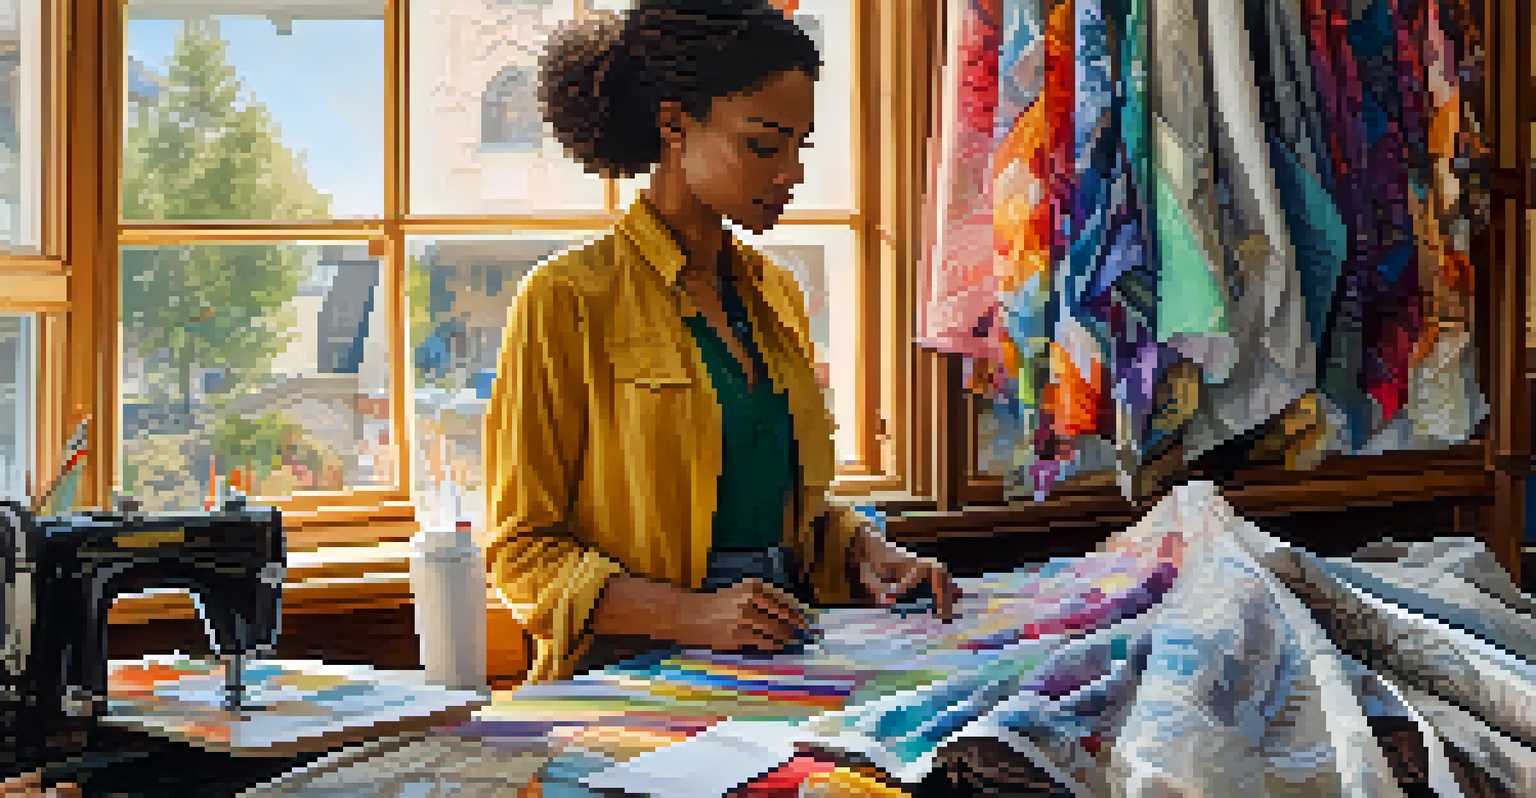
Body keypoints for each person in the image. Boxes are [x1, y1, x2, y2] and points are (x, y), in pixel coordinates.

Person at [484, 0, 962, 687]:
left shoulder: (776, 297)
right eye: (764, 146)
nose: (791, 173)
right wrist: (691, 615)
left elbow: (777, 506)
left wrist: (865, 549)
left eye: (801, 147)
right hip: (629, 681)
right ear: (674, 125)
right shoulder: (565, 301)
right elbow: (522, 554)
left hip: (785, 660)